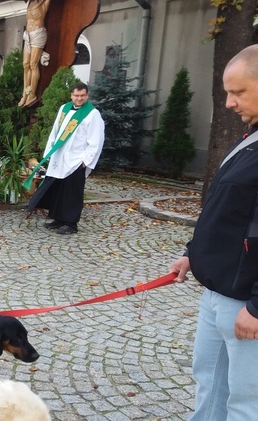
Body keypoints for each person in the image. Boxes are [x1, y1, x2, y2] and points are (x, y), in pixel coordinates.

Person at [169, 44, 258, 421]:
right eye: (227, 91)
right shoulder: (250, 138)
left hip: (246, 304)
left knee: (246, 401)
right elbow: (225, 210)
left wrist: (257, 306)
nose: (228, 103)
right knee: (210, 384)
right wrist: (193, 254)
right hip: (217, 293)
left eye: (238, 92)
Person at [26, 82, 104, 235]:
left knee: (71, 192)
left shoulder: (92, 114)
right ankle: (58, 219)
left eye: (82, 96)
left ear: (87, 96)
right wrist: (49, 152)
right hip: (60, 157)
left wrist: (86, 160)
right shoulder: (64, 108)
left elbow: (96, 139)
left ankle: (71, 223)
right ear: (71, 95)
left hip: (76, 160)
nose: (79, 98)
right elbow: (56, 130)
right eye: (76, 95)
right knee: (58, 189)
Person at [18, 0, 51, 108]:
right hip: (28, 35)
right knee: (25, 64)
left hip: (38, 33)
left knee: (33, 64)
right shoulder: (29, 3)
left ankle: (32, 94)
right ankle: (25, 93)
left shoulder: (44, 3)